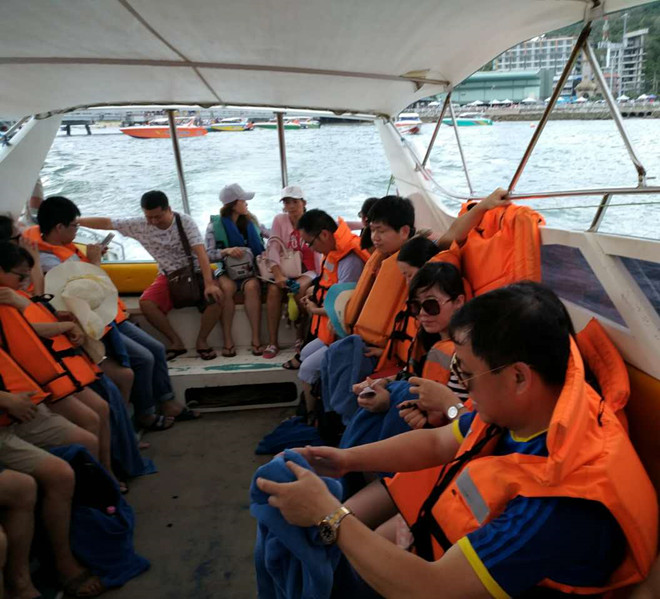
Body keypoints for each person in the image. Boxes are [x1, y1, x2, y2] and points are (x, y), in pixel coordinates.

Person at [256, 282, 657, 597]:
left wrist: (329, 515)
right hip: (451, 556)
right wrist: (346, 460)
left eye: (466, 374)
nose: (461, 387)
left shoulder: (558, 503)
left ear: (519, 377)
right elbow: (438, 442)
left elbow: (433, 589)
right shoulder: (535, 410)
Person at [26, 196, 198, 430]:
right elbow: (83, 294)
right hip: (91, 324)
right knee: (144, 359)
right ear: (59, 227)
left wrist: (92, 259)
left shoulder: (66, 247)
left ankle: (167, 402)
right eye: (74, 226)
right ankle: (145, 414)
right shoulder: (48, 261)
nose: (77, 230)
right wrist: (95, 261)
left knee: (157, 349)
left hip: (109, 317)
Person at [77, 191, 223, 361]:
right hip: (168, 274)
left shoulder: (184, 221)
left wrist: (209, 283)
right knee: (146, 303)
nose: (153, 221)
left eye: (158, 216)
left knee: (217, 298)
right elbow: (108, 223)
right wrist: (76, 222)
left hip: (194, 271)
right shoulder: (139, 225)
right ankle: (176, 342)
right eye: (149, 217)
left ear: (169, 209)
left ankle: (202, 341)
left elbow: (201, 252)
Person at [293, 210, 369, 414]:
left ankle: (312, 418)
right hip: (334, 327)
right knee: (305, 353)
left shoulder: (350, 261)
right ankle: (315, 406)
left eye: (310, 243)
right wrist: (313, 295)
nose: (311, 248)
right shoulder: (333, 253)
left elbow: (346, 309)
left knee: (307, 368)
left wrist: (314, 310)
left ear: (325, 235)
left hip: (350, 333)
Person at [205, 183, 265, 357]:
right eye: (243, 200)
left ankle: (256, 339)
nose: (247, 203)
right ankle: (227, 340)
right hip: (226, 271)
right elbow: (207, 255)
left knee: (252, 288)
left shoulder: (252, 222)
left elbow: (270, 235)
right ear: (233, 204)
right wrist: (226, 251)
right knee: (226, 289)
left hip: (249, 270)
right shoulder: (214, 227)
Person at [263, 185, 321, 359]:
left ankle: (300, 336)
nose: (291, 206)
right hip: (285, 269)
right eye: (287, 202)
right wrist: (278, 274)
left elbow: (336, 228)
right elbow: (273, 247)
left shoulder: (313, 220)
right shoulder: (279, 220)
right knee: (273, 291)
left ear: (304, 203)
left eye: (295, 202)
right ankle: (273, 342)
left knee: (299, 288)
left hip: (309, 270)